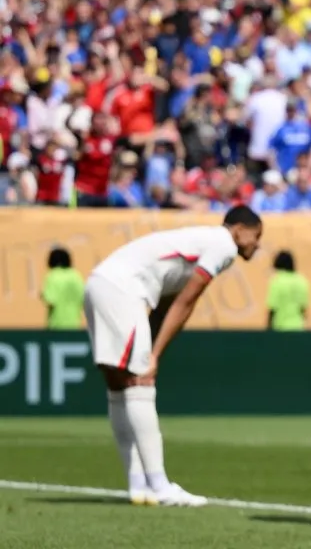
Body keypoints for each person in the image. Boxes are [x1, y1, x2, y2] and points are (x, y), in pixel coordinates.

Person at [83, 205, 263, 506]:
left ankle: (138, 485)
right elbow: (187, 301)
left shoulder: (199, 241)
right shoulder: (224, 245)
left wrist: (153, 350)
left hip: (99, 283)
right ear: (239, 229)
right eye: (256, 236)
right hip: (122, 289)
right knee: (140, 382)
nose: (257, 244)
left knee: (118, 384)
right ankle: (160, 486)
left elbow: (167, 303)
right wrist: (152, 355)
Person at [42, 246, 85, 329]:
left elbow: (50, 299)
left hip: (56, 325)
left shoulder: (52, 276)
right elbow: (83, 297)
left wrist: (42, 295)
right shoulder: (75, 276)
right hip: (74, 324)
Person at [266, 250, 310, 331]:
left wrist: (268, 330)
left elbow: (272, 309)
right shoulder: (302, 281)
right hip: (298, 328)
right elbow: (303, 309)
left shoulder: (277, 281)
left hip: (280, 328)